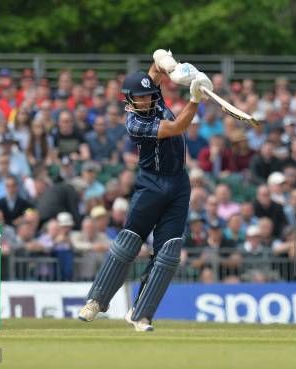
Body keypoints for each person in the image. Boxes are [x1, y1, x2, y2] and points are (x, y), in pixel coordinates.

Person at [79, 49, 212, 332]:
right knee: (128, 243)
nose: (145, 99)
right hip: (151, 182)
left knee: (169, 252)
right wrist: (195, 98)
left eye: (148, 95)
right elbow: (177, 127)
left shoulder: (153, 95)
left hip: (178, 184)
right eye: (139, 97)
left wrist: (170, 66)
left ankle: (141, 314)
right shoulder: (136, 122)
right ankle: (96, 301)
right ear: (129, 99)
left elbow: (155, 66)